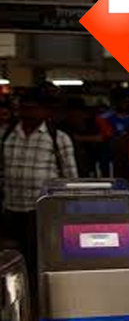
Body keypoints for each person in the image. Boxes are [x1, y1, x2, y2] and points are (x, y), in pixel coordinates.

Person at [0, 85, 77, 268]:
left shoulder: (58, 138)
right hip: (11, 209)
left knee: (41, 256)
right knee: (13, 259)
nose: (28, 112)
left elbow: (71, 178)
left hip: (42, 211)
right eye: (24, 107)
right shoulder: (5, 135)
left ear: (45, 111)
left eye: (34, 108)